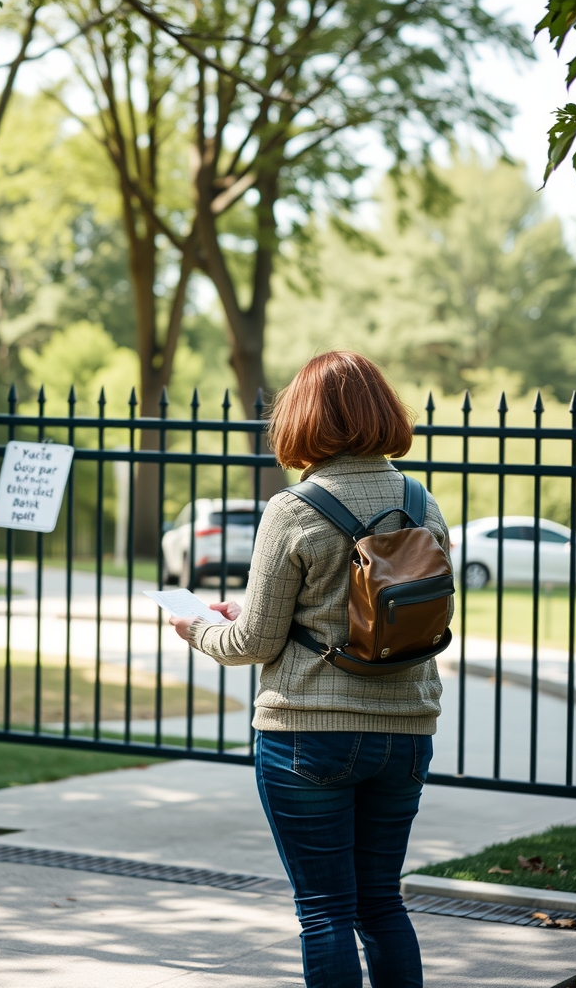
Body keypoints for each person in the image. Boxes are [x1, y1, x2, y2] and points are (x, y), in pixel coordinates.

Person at [169, 350, 450, 988]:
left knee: (324, 912)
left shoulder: (293, 510)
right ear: (384, 410)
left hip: (309, 734)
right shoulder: (422, 503)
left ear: (302, 419)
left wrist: (196, 628)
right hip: (407, 730)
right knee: (383, 902)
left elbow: (252, 643)